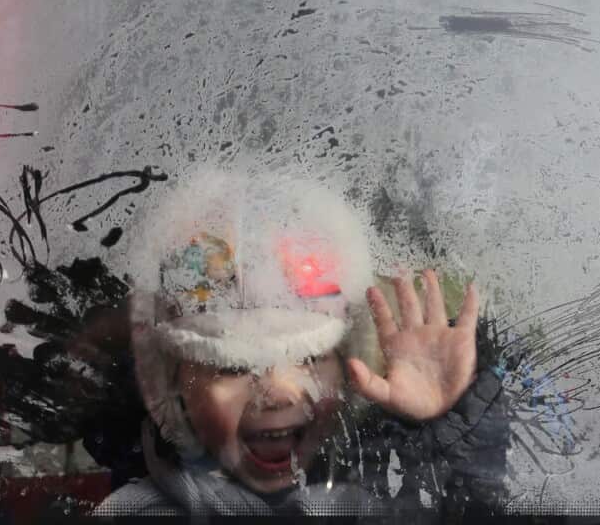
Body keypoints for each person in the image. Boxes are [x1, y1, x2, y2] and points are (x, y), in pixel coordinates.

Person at [90, 169, 509, 516]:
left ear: (349, 372)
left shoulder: (392, 489)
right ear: (174, 390)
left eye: (309, 357)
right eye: (234, 367)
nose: (278, 392)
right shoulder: (136, 513)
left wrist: (442, 426)